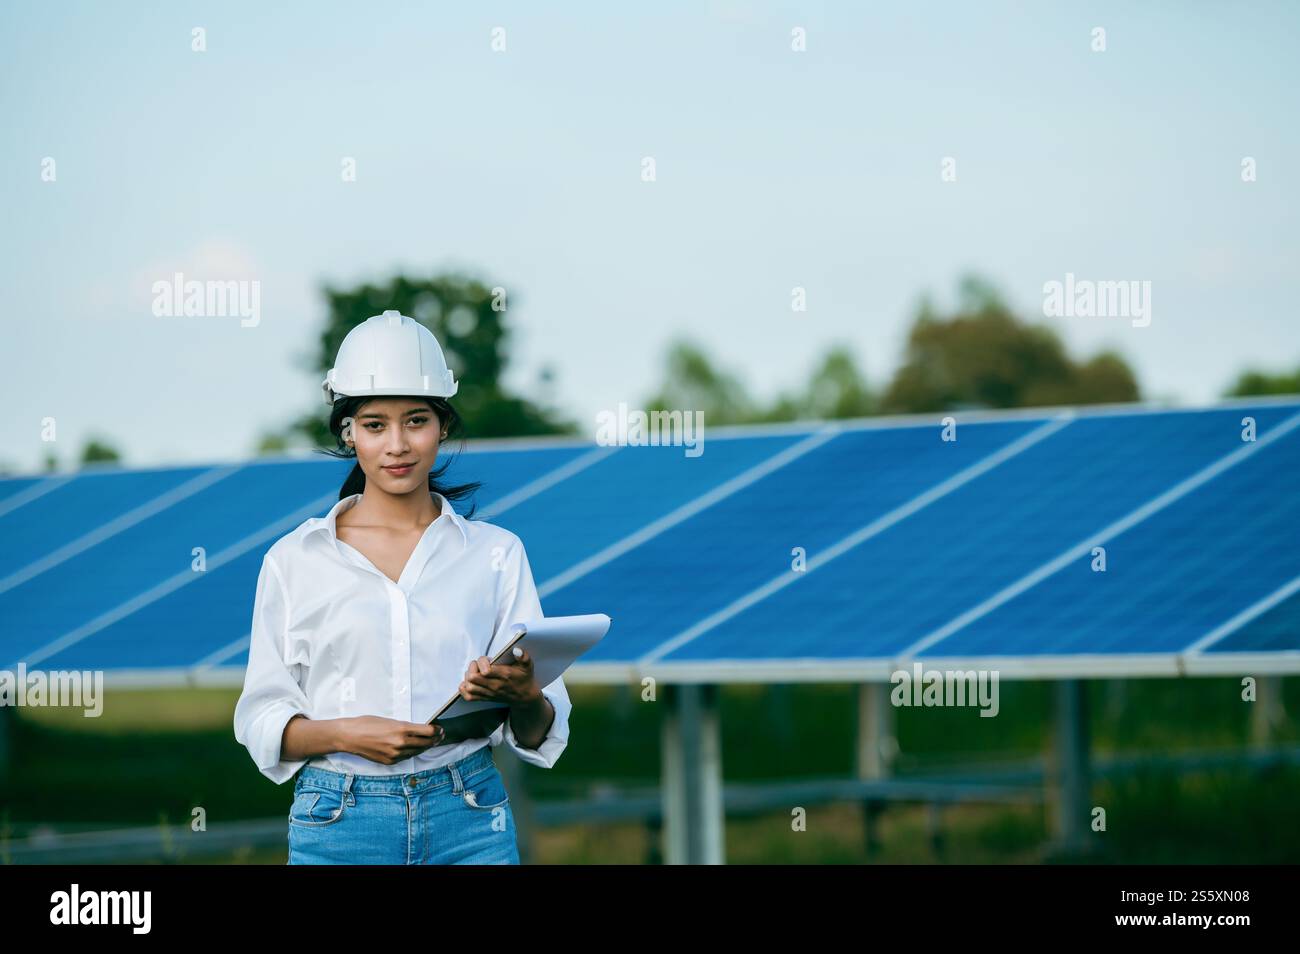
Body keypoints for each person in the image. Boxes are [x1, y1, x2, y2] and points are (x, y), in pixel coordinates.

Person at [232, 309, 571, 864]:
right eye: (374, 425)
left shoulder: (495, 553)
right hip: (339, 823)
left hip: (470, 816)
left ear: (443, 427)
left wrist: (524, 694)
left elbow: (537, 732)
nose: (397, 445)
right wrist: (346, 734)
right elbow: (260, 721)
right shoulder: (295, 560)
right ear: (348, 433)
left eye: (416, 420)